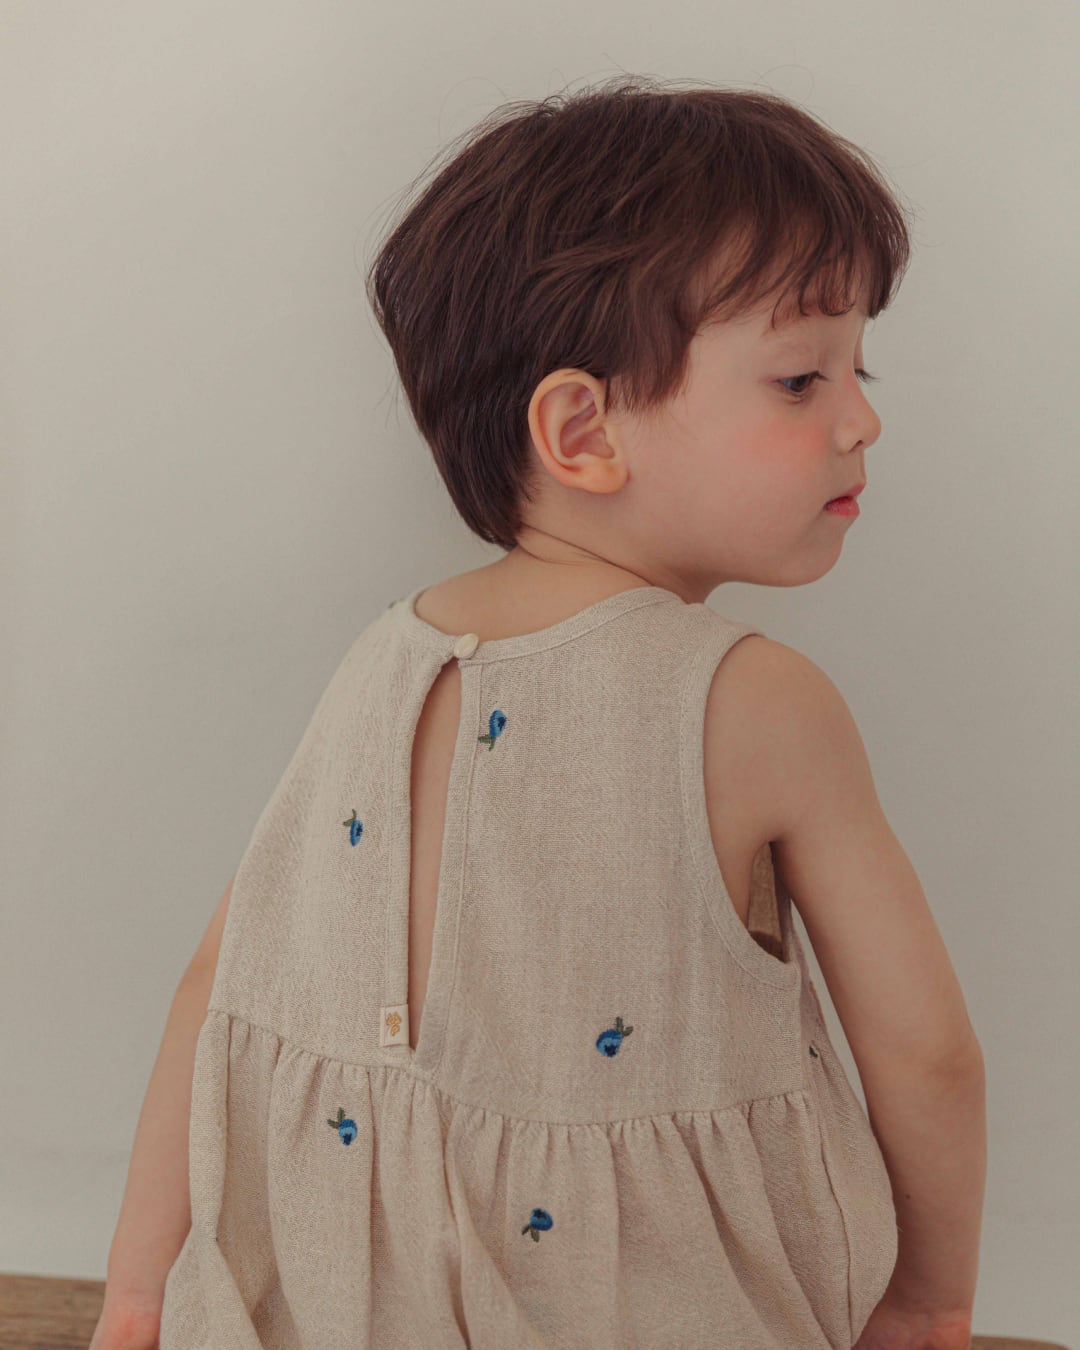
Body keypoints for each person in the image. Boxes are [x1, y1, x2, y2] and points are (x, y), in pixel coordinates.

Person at [91, 77, 986, 1349]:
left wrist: (138, 1289)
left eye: (858, 367)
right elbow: (925, 1051)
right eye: (801, 379)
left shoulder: (377, 661)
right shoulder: (757, 700)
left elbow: (217, 985)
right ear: (582, 429)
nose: (863, 418)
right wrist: (933, 1298)